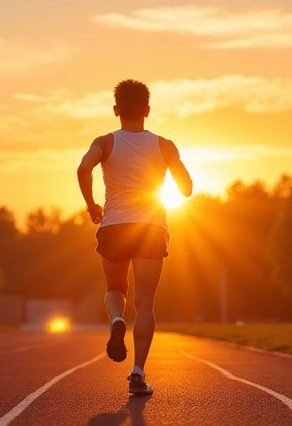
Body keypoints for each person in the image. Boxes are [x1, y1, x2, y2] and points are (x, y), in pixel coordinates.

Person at [77, 79, 193, 395]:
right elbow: (186, 188)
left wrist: (91, 206)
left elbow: (83, 169)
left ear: (116, 110)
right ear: (147, 110)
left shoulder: (105, 142)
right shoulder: (165, 145)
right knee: (145, 304)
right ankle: (138, 373)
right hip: (151, 228)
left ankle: (116, 318)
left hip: (114, 225)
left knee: (115, 289)